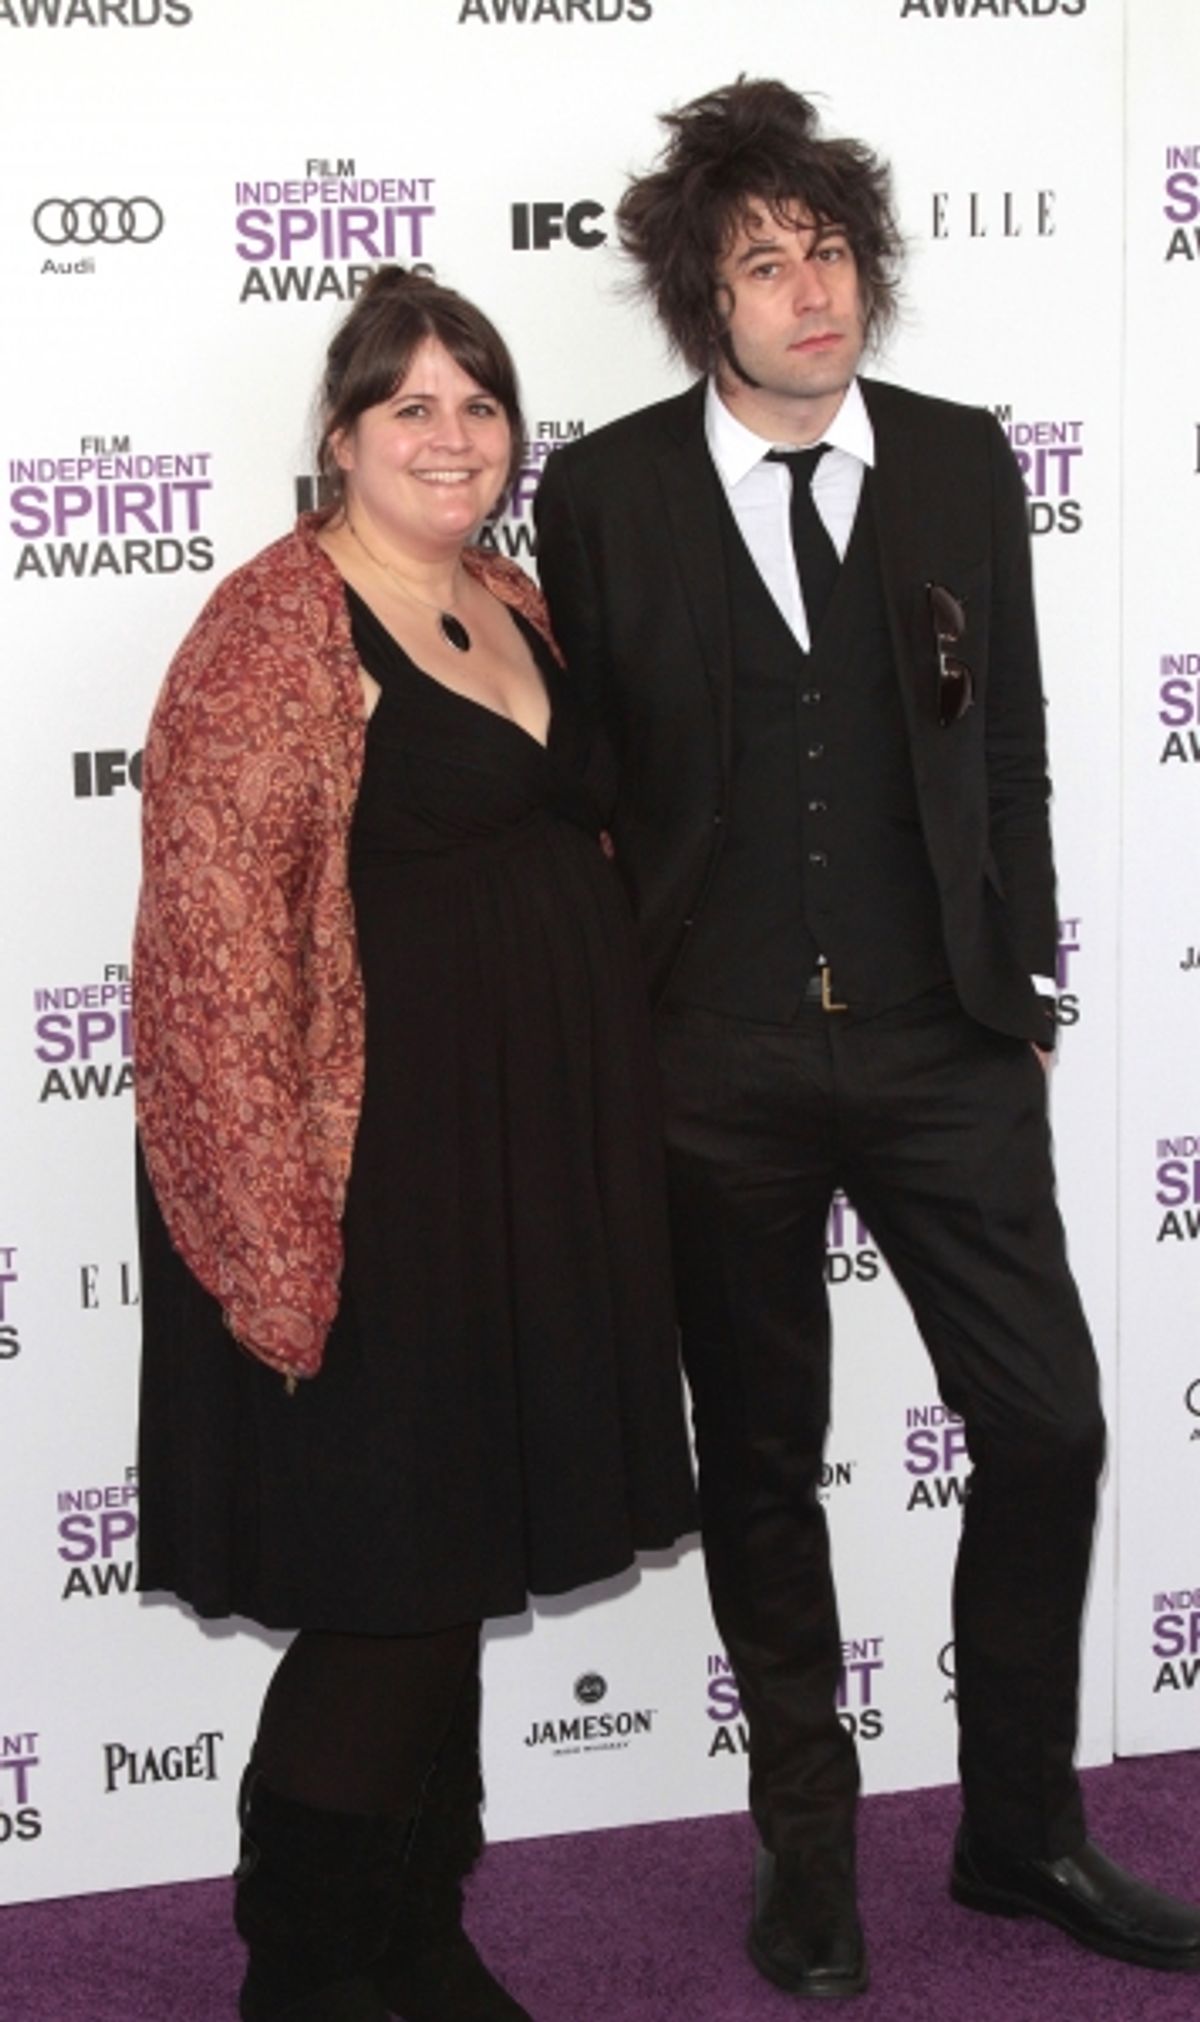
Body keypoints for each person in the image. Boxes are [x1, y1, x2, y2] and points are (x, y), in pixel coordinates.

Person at [534, 78, 1200, 2000]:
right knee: (761, 1454)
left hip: (943, 1044)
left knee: (1052, 1422)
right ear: (701, 296)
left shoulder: (965, 463)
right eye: (763, 259)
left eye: (827, 248)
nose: (808, 287)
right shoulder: (607, 493)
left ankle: (1018, 1832)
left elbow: (1010, 745)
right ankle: (808, 1852)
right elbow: (590, 787)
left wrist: (1031, 988)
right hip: (713, 1060)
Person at [132, 264, 695, 2022]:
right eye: (411, 407)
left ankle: (412, 1928)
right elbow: (208, 964)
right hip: (361, 1184)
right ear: (341, 435)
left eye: (478, 402)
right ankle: (302, 1972)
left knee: (448, 1569)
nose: (451, 435)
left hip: (525, 1173)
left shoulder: (511, 600)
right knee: (383, 1585)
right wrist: (279, 1241)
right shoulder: (271, 631)